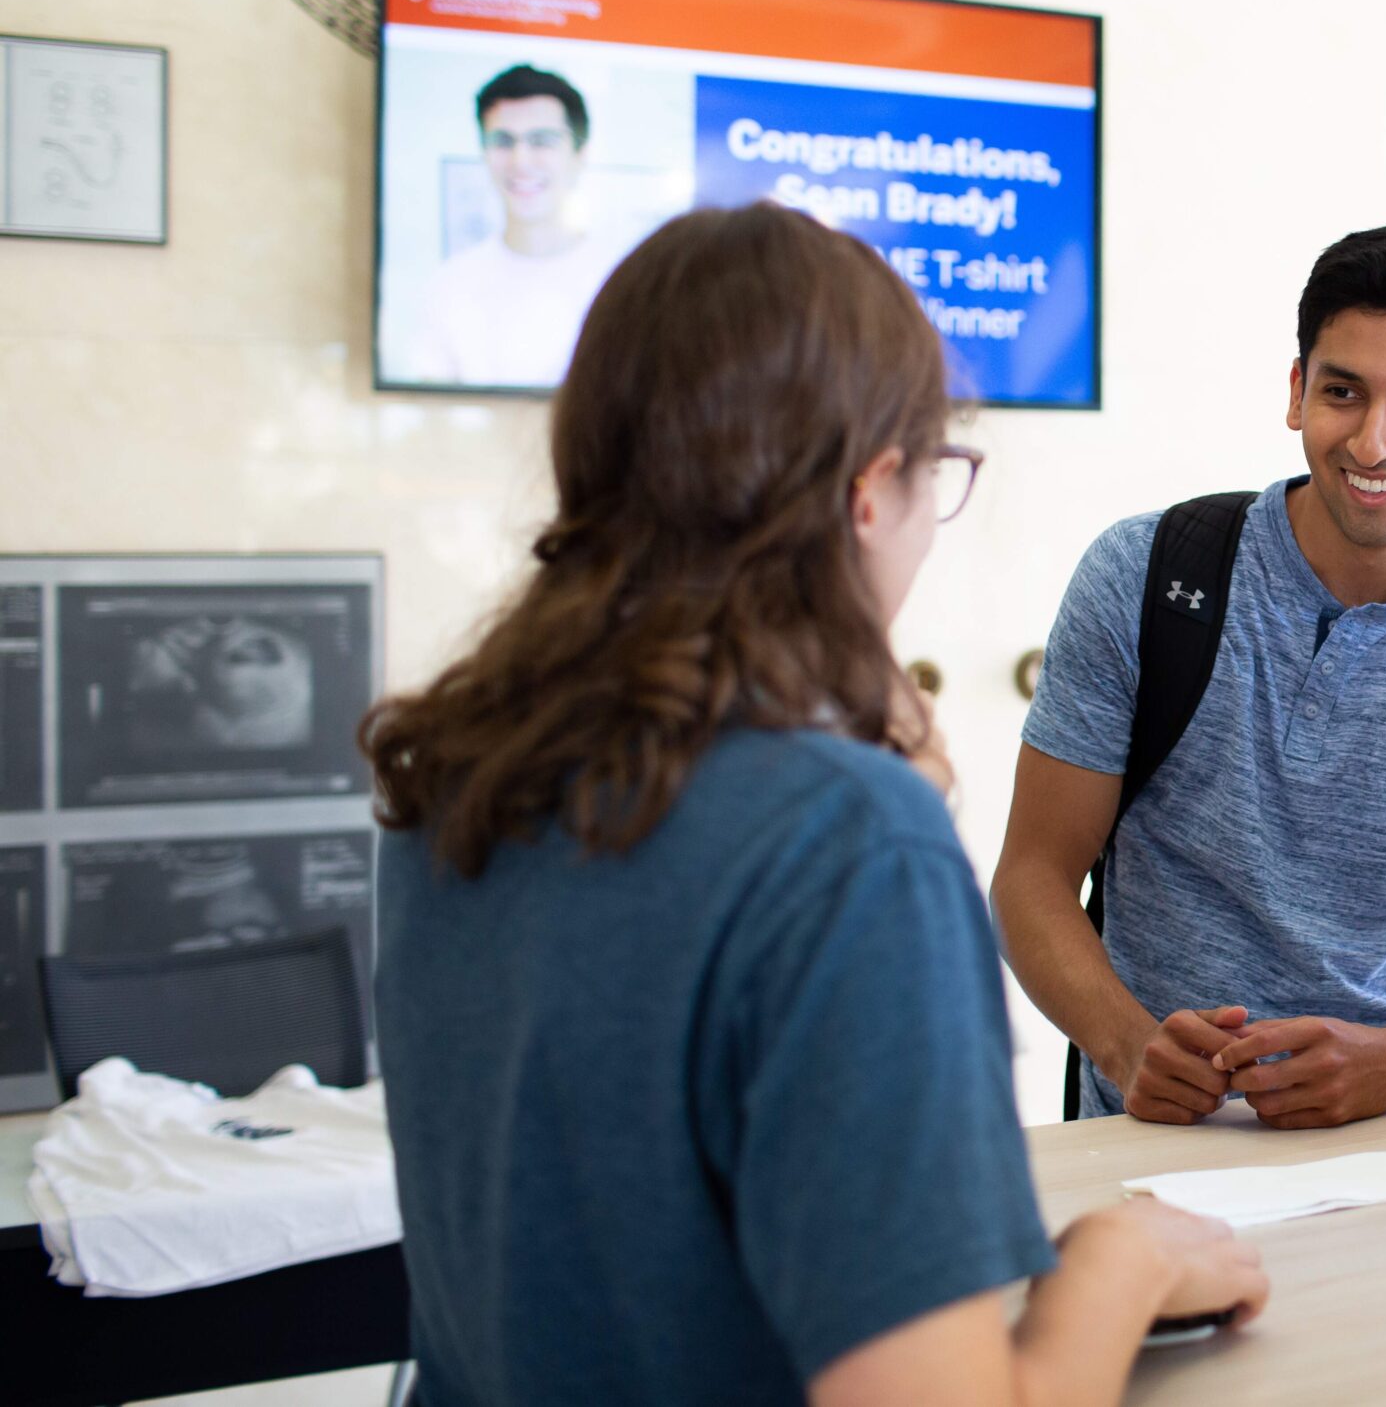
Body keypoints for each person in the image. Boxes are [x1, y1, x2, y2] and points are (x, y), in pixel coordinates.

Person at [364, 205, 1267, 1406]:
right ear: (866, 490)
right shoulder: (846, 841)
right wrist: (1124, 1257)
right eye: (936, 475)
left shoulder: (458, 772)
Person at [992, 222, 1386, 1126]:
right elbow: (1031, 877)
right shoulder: (1142, 576)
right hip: (1147, 1139)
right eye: (1342, 392)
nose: (1372, 441)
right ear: (1296, 393)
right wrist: (1127, 1045)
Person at [411, 65, 629, 389]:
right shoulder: (448, 285)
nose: (520, 161)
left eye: (542, 141)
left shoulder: (623, 281)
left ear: (580, 155)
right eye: (502, 141)